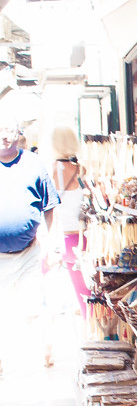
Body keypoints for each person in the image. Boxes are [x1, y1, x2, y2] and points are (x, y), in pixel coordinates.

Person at [0, 122, 61, 373]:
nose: (4, 137)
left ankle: (45, 356)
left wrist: (51, 243)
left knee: (35, 308)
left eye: (9, 131)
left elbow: (49, 206)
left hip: (28, 251)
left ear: (18, 134)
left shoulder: (34, 163)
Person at [49, 126, 88, 320]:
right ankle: (99, 333)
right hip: (86, 238)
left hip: (65, 240)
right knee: (91, 295)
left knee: (80, 295)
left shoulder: (51, 171)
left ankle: (92, 335)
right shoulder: (81, 170)